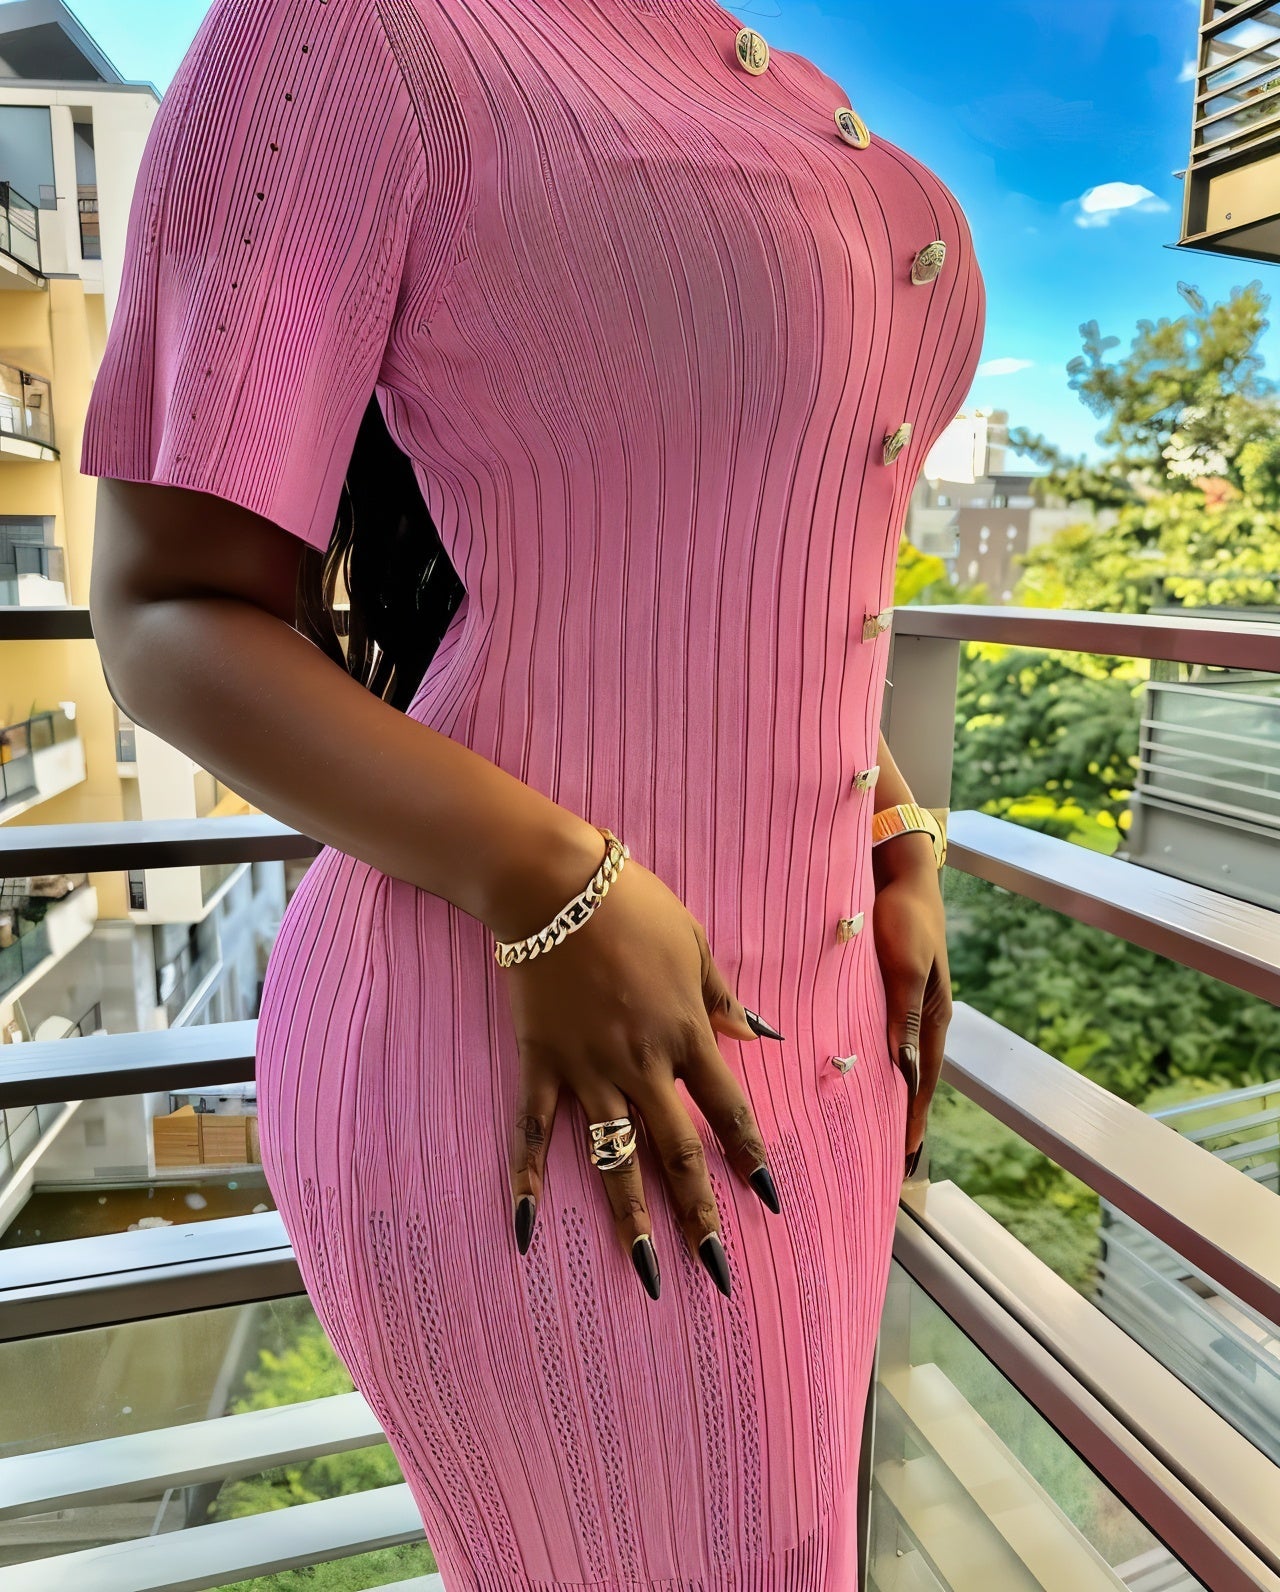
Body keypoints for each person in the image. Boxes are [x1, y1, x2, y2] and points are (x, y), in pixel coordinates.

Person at [83, 0, 984, 1584]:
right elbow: (167, 612)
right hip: (528, 1048)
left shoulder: (771, 79)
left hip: (816, 1055)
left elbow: (732, 572)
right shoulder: (346, 31)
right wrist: (551, 880)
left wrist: (890, 823)